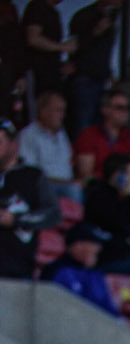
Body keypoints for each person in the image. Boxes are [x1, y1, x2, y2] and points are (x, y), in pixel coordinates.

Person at [0, 116, 57, 279]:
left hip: (17, 269)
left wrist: (15, 219)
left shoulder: (32, 176)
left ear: (14, 144)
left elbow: (52, 214)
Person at [43, 213, 119, 311]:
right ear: (78, 245)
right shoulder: (56, 270)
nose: (99, 248)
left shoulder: (95, 274)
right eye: (94, 243)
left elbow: (110, 312)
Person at [66, 0, 120, 137]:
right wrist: (96, 31)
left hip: (102, 82)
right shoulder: (83, 16)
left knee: (98, 130)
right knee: (83, 128)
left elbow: (104, 52)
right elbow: (73, 48)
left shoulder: (113, 18)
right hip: (84, 81)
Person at [72, 83, 130, 183]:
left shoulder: (127, 136)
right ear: (105, 110)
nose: (125, 112)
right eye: (120, 108)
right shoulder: (88, 135)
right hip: (96, 188)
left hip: (124, 188)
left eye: (128, 108)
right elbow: (85, 175)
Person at [17, 87, 76, 199]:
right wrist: (65, 183)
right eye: (58, 110)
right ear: (43, 111)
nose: (62, 116)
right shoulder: (28, 135)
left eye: (63, 111)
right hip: (44, 188)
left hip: (67, 185)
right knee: (74, 192)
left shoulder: (61, 133)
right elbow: (31, 174)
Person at [21, 0, 73, 107]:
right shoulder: (37, 7)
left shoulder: (52, 11)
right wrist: (62, 47)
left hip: (50, 75)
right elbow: (33, 39)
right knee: (38, 111)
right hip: (37, 74)